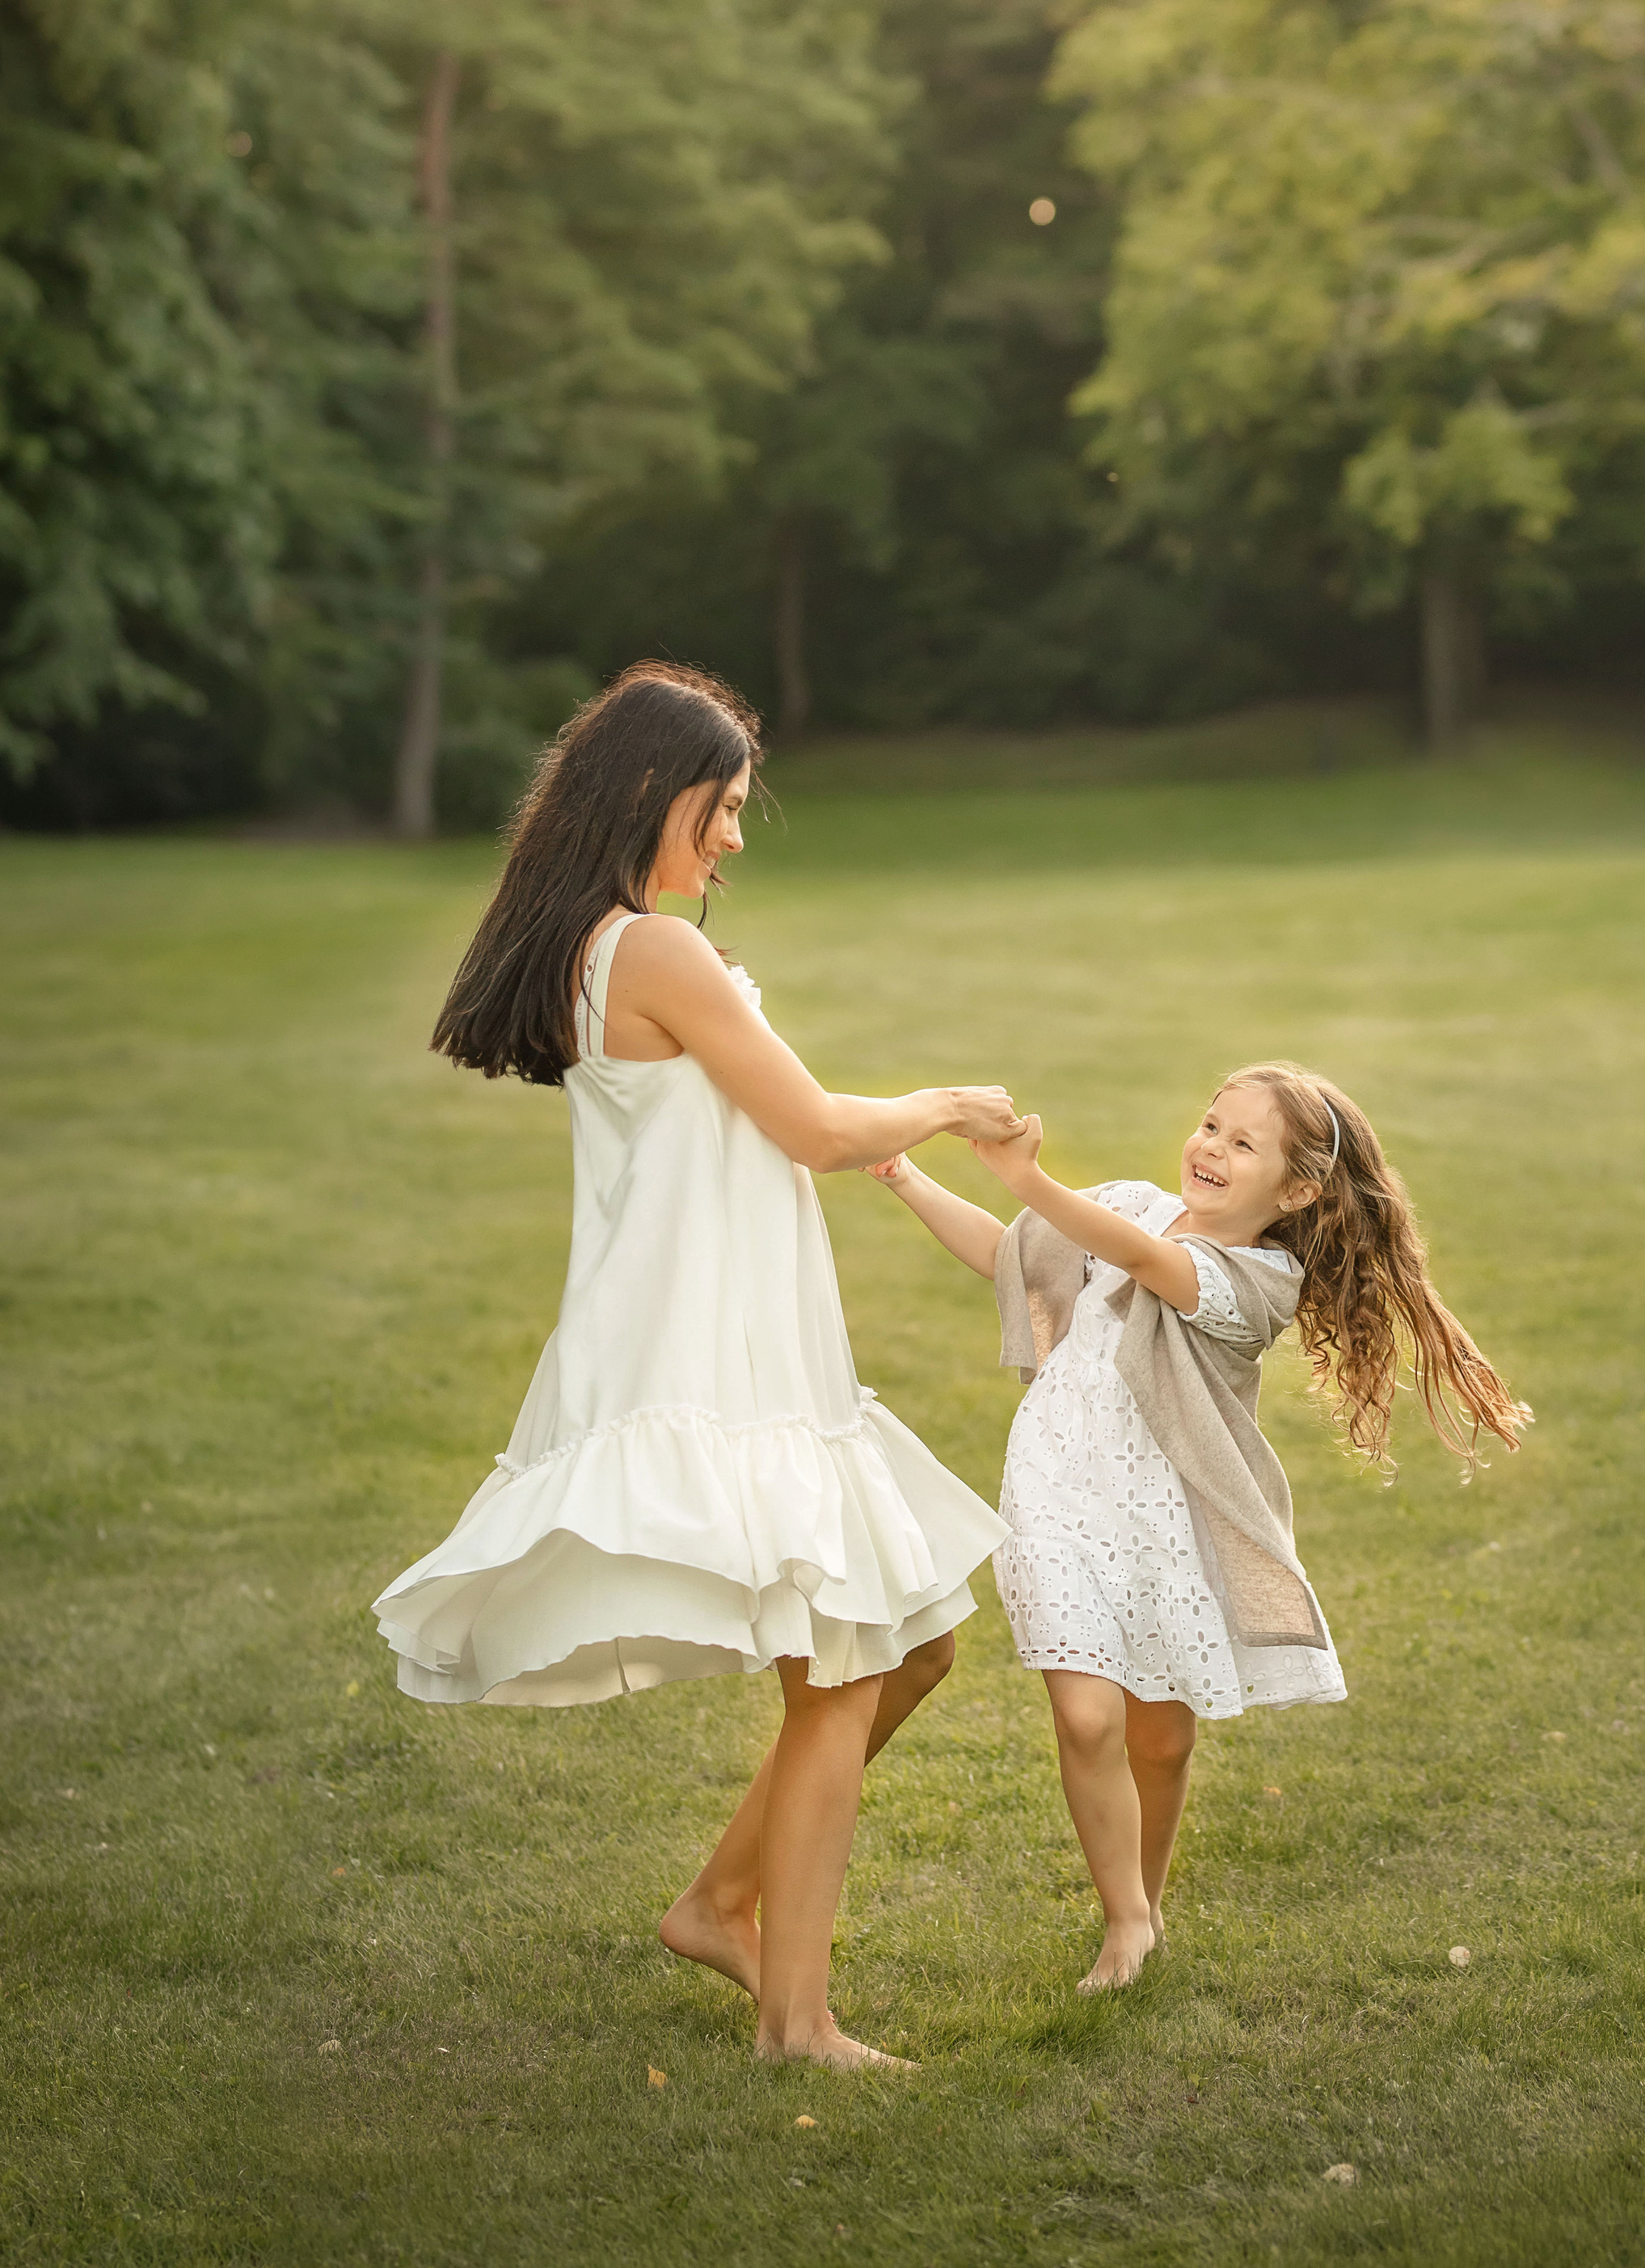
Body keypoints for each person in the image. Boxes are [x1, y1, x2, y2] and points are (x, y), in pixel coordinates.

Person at [373, 662, 1022, 2069]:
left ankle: (724, 1903)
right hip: (713, 1350)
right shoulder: (651, 952)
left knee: (907, 1643)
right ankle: (797, 2022)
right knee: (852, 1664)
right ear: (651, 795)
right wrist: (952, 1105)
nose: (735, 836)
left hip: (740, 1332)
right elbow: (812, 1129)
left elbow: (775, 1121)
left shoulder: (614, 947)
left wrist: (881, 1124)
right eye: (723, 806)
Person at [871, 1064, 1529, 1992]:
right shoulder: (1129, 1207)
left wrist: (1027, 1176)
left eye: (1241, 1143)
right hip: (1056, 1485)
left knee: (1162, 1738)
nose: (1210, 1149)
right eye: (1210, 1125)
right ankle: (1126, 1920)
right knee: (1087, 1715)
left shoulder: (1260, 1281)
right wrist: (905, 1174)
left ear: (1296, 1192)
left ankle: (1144, 1900)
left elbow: (1150, 1266)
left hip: (1171, 1512)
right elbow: (1008, 1256)